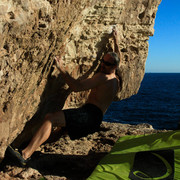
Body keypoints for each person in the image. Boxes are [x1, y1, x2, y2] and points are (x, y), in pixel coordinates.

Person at [7, 29, 122, 166]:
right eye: (103, 61)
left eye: (107, 64)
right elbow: (118, 57)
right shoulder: (117, 78)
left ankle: (24, 155)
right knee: (59, 131)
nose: (102, 65)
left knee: (51, 118)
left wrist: (61, 68)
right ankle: (29, 146)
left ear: (113, 66)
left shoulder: (103, 77)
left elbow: (77, 87)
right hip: (96, 118)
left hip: (89, 115)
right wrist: (116, 40)